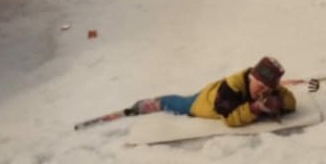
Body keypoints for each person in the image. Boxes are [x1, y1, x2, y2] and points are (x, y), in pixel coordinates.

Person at [127, 56, 296, 127]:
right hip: (205, 103)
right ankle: (156, 102)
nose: (263, 92)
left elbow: (291, 103)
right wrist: (255, 109)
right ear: (251, 78)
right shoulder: (231, 89)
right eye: (260, 86)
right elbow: (230, 120)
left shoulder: (268, 86)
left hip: (215, 90)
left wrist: (279, 100)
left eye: (268, 89)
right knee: (182, 104)